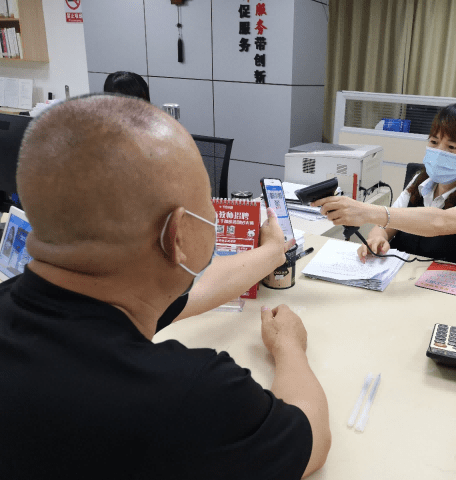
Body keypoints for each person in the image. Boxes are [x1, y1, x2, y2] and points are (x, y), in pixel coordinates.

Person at [0, 95, 330, 479]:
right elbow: (312, 439)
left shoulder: (44, 297)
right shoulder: (188, 395)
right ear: (178, 234)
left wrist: (273, 252)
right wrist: (289, 346)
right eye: (207, 203)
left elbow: (194, 292)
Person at [313, 103, 456, 267]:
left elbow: (439, 221)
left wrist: (366, 211)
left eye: (452, 147)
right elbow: (388, 224)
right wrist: (378, 237)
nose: (439, 152)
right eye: (434, 142)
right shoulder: (420, 181)